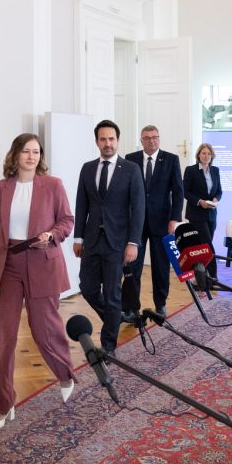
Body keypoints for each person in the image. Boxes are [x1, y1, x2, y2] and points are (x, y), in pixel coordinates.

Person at [0, 134, 75, 429]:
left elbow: (66, 220)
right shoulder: (2, 188)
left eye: (36, 152)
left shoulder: (53, 185)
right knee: (2, 337)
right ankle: (2, 405)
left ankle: (66, 373)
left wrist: (52, 235)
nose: (31, 156)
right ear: (15, 155)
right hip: (7, 267)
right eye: (26, 151)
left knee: (45, 331)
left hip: (42, 263)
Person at [73, 120, 145, 354]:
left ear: (118, 140)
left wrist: (133, 242)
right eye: (103, 139)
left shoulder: (131, 169)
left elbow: (138, 209)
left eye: (111, 139)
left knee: (113, 293)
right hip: (92, 240)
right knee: (88, 287)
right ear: (97, 142)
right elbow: (82, 204)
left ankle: (108, 346)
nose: (107, 143)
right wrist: (78, 238)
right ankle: (115, 317)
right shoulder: (87, 168)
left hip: (118, 242)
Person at [125, 125, 184, 320]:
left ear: (159, 139)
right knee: (133, 267)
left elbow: (178, 192)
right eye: (147, 138)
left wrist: (175, 219)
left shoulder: (171, 159)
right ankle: (131, 307)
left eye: (155, 137)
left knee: (160, 266)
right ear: (141, 141)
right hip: (137, 223)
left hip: (162, 222)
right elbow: (125, 192)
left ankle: (161, 304)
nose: (151, 141)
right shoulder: (130, 159)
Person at [183, 143, 223, 242]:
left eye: (209, 154)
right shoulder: (191, 170)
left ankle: (205, 258)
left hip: (212, 214)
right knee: (206, 244)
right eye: (204, 153)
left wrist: (216, 199)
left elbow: (219, 191)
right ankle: (212, 258)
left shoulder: (215, 170)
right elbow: (184, 191)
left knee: (206, 245)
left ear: (212, 156)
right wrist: (199, 201)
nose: (206, 156)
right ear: (198, 155)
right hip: (196, 214)